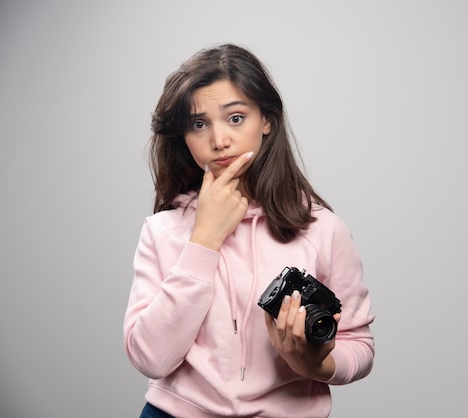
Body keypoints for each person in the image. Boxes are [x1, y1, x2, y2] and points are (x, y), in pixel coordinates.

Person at [123, 43, 375, 418]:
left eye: (236, 118)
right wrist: (204, 240)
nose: (219, 140)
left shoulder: (323, 230)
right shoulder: (162, 231)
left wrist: (312, 365)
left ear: (267, 120)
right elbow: (149, 357)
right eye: (198, 123)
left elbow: (359, 346)